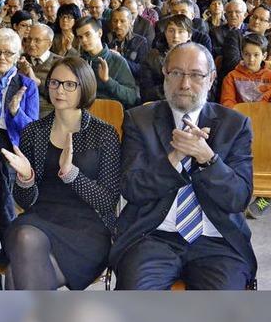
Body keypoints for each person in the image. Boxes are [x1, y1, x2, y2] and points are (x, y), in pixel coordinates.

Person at [110, 42, 256, 290]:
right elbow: (131, 188)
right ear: (165, 75)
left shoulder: (235, 125)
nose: (184, 84)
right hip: (153, 236)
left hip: (217, 241)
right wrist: (174, 158)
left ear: (210, 79)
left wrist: (207, 158)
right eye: (176, 73)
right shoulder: (139, 120)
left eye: (196, 75)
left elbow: (238, 199)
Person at [1, 56, 120, 290]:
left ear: (84, 87)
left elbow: (108, 201)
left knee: (17, 271)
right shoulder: (34, 132)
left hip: (88, 226)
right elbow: (25, 201)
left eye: (69, 84)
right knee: (25, 237)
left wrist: (71, 174)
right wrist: (26, 179)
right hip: (41, 218)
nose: (59, 90)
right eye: (54, 83)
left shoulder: (104, 134)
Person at [0, 28, 39, 243]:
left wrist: (15, 112)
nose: (2, 57)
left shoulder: (27, 86)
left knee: (1, 169)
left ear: (18, 56)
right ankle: (5, 228)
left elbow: (32, 129)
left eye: (8, 53)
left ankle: (2, 226)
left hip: (13, 144)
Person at [75, 16, 139, 108]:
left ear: (99, 33)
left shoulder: (117, 61)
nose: (84, 40)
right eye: (80, 37)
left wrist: (108, 81)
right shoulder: (80, 62)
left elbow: (132, 97)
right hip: (85, 111)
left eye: (88, 34)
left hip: (110, 112)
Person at [140, 14, 193, 102]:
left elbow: (206, 91)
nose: (175, 36)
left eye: (181, 31)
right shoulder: (153, 57)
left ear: (189, 35)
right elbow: (146, 93)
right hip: (160, 104)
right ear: (165, 33)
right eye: (171, 31)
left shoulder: (198, 57)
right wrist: (173, 86)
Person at [220, 33, 271, 107]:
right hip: (239, 117)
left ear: (264, 56)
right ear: (242, 54)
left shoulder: (269, 76)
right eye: (247, 54)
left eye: (256, 55)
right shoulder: (231, 77)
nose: (251, 59)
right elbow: (227, 103)